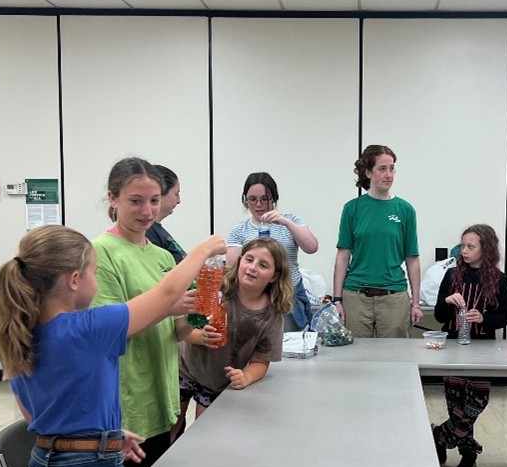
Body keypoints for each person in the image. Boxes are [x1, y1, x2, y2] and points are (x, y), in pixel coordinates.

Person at [0, 224, 225, 467]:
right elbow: (166, 294)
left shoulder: (21, 333)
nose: (96, 282)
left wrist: (107, 436)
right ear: (74, 280)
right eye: (94, 273)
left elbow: (36, 415)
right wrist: (204, 250)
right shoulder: (90, 327)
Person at [91, 157, 199, 467]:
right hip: (128, 401)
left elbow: (176, 330)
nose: (147, 211)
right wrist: (167, 307)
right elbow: (110, 333)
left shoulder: (162, 256)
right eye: (136, 201)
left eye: (154, 201)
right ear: (113, 198)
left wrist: (198, 313)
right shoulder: (101, 253)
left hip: (161, 395)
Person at [179, 237, 292, 418]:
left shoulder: (271, 316)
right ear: (239, 261)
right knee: (172, 424)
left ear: (275, 276)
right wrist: (201, 337)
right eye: (249, 259)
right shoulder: (216, 286)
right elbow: (182, 332)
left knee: (204, 428)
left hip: (219, 382)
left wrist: (246, 376)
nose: (252, 267)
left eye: (263, 265)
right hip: (184, 369)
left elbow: (260, 362)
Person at [430, 224, 507, 467]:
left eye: (470, 246)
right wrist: (447, 301)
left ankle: (438, 435)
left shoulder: (498, 279)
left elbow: (504, 317)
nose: (463, 251)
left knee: (477, 401)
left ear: (486, 249)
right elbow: (440, 316)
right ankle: (468, 454)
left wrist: (484, 318)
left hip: (483, 348)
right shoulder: (452, 275)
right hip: (453, 346)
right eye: (463, 245)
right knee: (455, 403)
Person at [333, 144, 423, 338]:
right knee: (356, 353)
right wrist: (337, 299)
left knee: (395, 353)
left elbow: (412, 259)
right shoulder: (352, 209)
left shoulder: (405, 210)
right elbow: (343, 255)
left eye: (392, 168)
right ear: (368, 172)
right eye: (382, 169)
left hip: (394, 296)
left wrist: (415, 303)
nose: (388, 175)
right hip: (356, 295)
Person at [227, 172, 318, 332]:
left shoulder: (291, 220)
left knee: (290, 340)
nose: (259, 204)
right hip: (253, 298)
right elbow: (233, 269)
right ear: (245, 200)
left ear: (274, 199)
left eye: (265, 199)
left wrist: (285, 222)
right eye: (252, 199)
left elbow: (311, 247)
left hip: (288, 294)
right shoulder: (239, 230)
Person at [145, 164, 185, 264]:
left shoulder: (156, 230)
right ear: (160, 194)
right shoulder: (148, 232)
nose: (179, 201)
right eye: (176, 194)